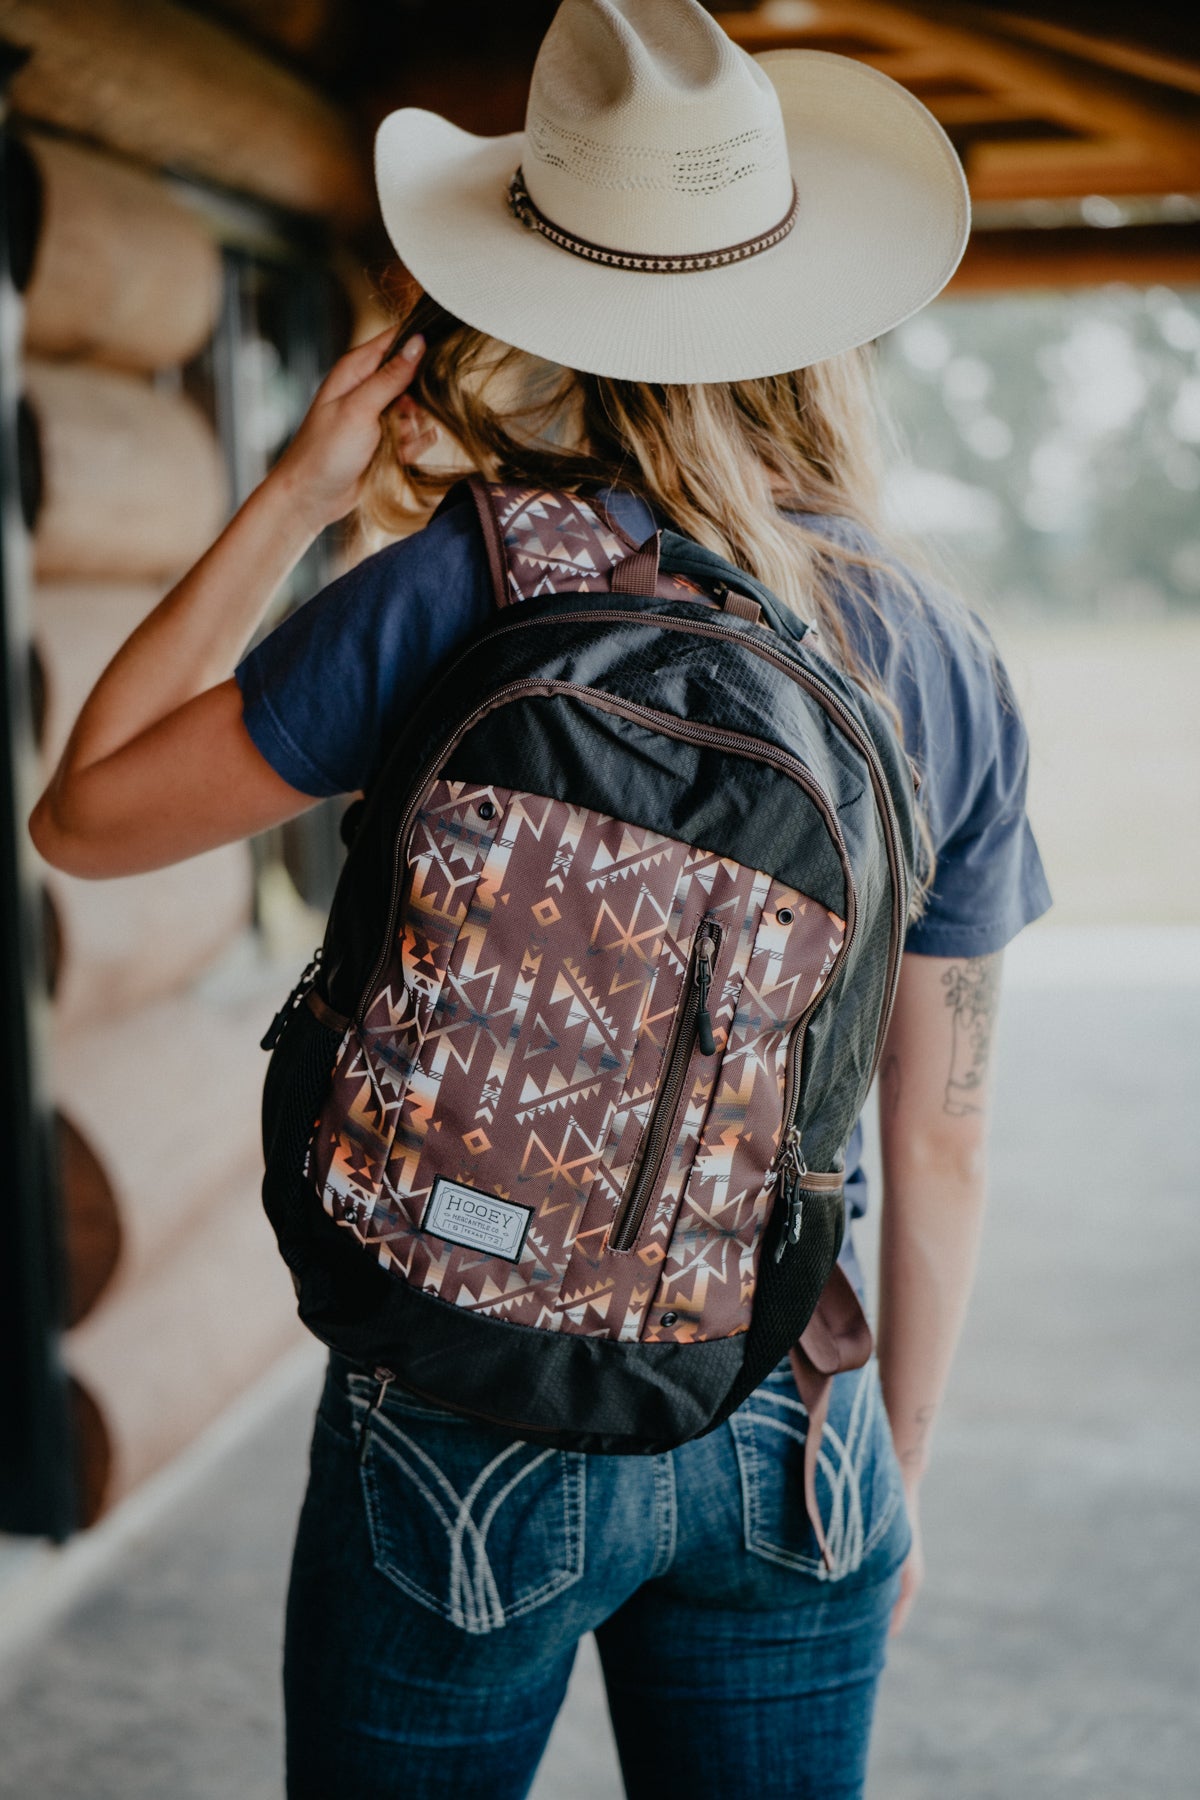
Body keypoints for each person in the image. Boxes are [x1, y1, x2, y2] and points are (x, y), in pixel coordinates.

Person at [31, 2, 1051, 1795]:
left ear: (547, 297)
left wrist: (292, 491)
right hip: (789, 1404)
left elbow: (89, 816)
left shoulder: (462, 584)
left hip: (459, 1387)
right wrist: (881, 1464)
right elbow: (945, 1140)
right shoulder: (937, 652)